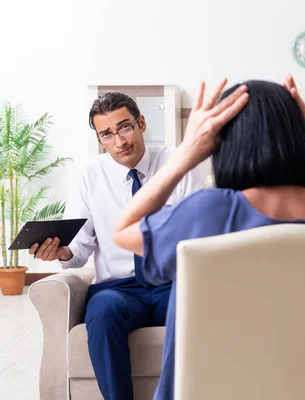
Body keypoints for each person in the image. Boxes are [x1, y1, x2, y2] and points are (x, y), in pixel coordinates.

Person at [111, 76, 305, 400]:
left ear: (225, 141)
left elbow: (121, 230)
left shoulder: (207, 213)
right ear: (300, 135)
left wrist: (186, 154)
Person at [28, 92, 205, 400]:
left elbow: (203, 231)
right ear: (100, 140)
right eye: (107, 134)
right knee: (104, 310)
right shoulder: (90, 175)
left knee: (196, 309)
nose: (120, 141)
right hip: (120, 289)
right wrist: (62, 252)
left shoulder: (179, 163)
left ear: (141, 123)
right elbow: (80, 245)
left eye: (125, 127)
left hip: (174, 282)